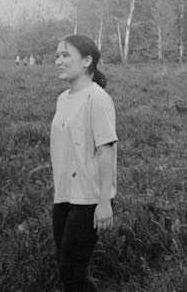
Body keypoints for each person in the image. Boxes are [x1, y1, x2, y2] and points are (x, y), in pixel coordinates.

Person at [50, 35, 117, 292]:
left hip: (89, 200)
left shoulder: (97, 98)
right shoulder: (62, 99)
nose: (59, 61)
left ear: (87, 60)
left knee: (72, 275)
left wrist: (104, 202)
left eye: (66, 55)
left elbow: (105, 151)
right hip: (64, 196)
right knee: (66, 271)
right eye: (57, 55)